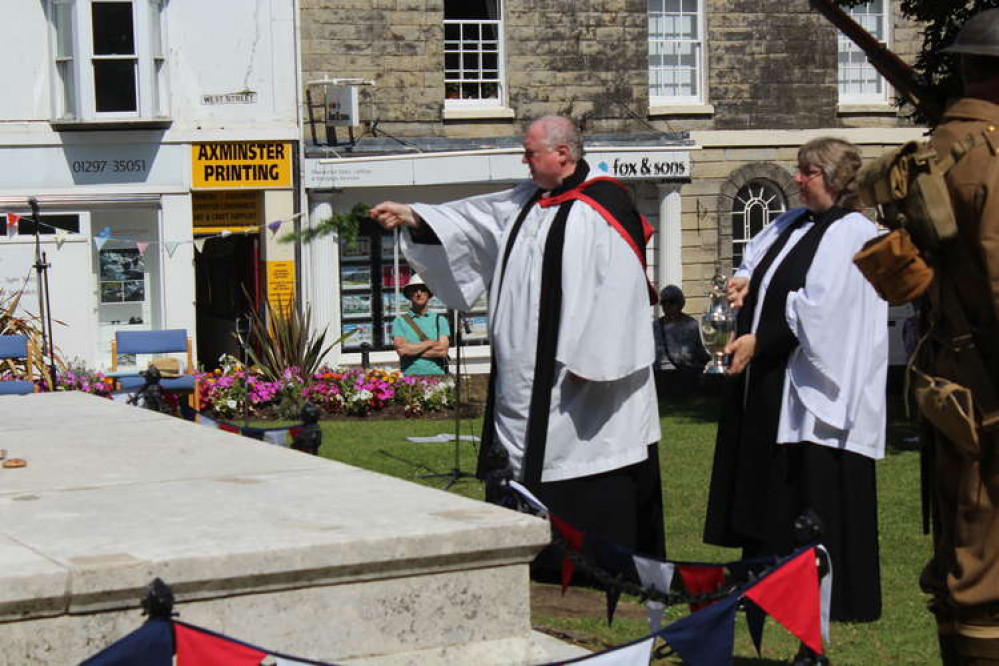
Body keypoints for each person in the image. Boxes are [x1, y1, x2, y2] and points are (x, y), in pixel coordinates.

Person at [369, 115, 665, 560]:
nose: (523, 160)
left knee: (584, 462)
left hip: (581, 383)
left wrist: (597, 362)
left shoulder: (605, 205)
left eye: (530, 152)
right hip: (521, 380)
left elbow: (622, 290)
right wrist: (413, 215)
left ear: (562, 154)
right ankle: (527, 556)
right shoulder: (528, 201)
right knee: (520, 461)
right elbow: (473, 221)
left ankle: (586, 565)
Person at [703, 138, 888, 637]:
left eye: (807, 172)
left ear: (833, 178)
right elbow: (757, 267)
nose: (798, 179)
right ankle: (764, 579)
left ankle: (831, 590)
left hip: (817, 383)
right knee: (769, 482)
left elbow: (825, 308)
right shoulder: (789, 223)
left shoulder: (854, 232)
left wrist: (762, 340)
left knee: (814, 482)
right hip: (772, 379)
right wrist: (745, 284)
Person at [913, 11, 999, 664]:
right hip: (989, 391)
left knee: (958, 553)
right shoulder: (989, 158)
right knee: (982, 573)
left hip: (948, 379)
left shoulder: (931, 149)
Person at [391, 273, 450, 376]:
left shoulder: (440, 320)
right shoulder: (400, 321)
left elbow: (442, 351)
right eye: (414, 290)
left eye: (422, 290)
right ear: (409, 294)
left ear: (428, 293)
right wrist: (431, 343)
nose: (419, 293)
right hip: (409, 379)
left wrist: (412, 351)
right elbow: (402, 350)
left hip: (437, 378)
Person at [654, 284, 709, 374]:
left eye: (671, 302)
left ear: (679, 303)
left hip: (684, 376)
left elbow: (700, 352)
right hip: (660, 376)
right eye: (664, 302)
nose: (667, 306)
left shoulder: (691, 324)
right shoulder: (655, 326)